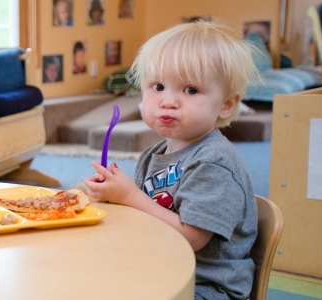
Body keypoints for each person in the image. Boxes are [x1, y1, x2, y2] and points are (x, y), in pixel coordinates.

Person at [83, 20, 259, 299]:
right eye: (158, 86)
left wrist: (129, 197)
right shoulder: (153, 155)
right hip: (160, 269)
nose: (168, 101)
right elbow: (145, 219)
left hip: (205, 286)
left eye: (190, 90)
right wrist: (112, 195)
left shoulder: (213, 162)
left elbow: (191, 238)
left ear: (226, 104)